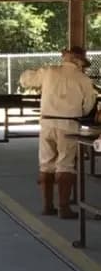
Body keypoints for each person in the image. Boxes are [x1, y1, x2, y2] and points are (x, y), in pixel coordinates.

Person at [19, 48, 96, 219]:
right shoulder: (83, 79)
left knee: (46, 164)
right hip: (69, 124)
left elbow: (25, 79)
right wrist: (79, 112)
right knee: (65, 164)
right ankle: (64, 208)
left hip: (47, 122)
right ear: (80, 62)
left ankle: (47, 206)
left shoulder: (48, 72)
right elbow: (89, 105)